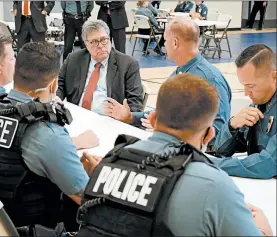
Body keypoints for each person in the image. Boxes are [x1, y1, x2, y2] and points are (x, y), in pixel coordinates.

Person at [77, 73, 273, 236]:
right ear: (209, 134)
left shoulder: (112, 160)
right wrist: (265, 231)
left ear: (152, 119)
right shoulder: (214, 187)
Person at [0, 42, 99, 231]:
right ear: (53, 85)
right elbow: (87, 199)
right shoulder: (47, 133)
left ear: (15, 73)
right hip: (30, 227)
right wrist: (101, 175)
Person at [104, 17, 231, 144]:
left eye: (165, 40)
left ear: (175, 43)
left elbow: (219, 133)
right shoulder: (180, 71)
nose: (164, 44)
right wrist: (130, 117)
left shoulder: (209, 79)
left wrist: (170, 132)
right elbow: (162, 115)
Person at [211, 44, 276, 179]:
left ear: (274, 76)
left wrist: (213, 164)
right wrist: (232, 125)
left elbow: (267, 164)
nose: (246, 93)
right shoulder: (259, 104)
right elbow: (220, 150)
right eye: (244, 85)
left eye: (251, 86)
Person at [57, 20, 144, 115]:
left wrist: (125, 115)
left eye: (104, 40)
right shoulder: (73, 59)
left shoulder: (128, 64)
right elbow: (60, 86)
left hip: (110, 120)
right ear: (86, 44)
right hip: (76, 115)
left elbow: (135, 105)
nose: (101, 46)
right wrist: (56, 98)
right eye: (94, 42)